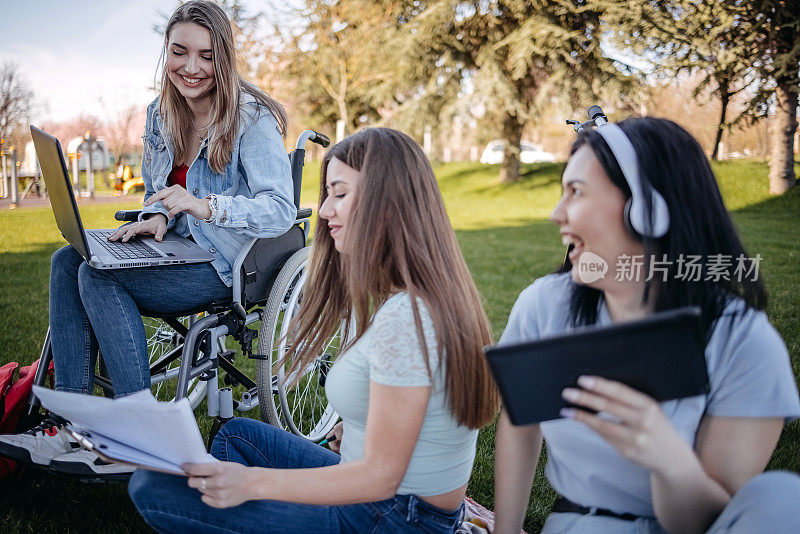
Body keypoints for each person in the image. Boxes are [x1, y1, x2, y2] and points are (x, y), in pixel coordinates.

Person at [127, 127, 500, 533]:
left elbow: (380, 477)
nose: (323, 211)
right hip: (394, 499)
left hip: (389, 516)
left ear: (388, 203)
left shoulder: (406, 320)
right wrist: (355, 428)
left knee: (152, 486)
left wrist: (252, 484)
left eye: (340, 194)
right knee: (237, 436)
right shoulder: (419, 297)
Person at [0, 0, 295, 476]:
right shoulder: (160, 113)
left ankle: (132, 433)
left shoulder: (251, 119)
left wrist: (206, 206)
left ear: (223, 58)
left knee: (98, 277)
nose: (192, 68)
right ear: (167, 51)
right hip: (173, 246)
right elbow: (160, 187)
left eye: (206, 56)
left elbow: (279, 210)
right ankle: (68, 426)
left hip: (224, 261)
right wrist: (155, 216)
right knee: (65, 259)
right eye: (180, 52)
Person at [493, 115, 800, 534]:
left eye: (576, 192)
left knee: (783, 498)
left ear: (647, 208)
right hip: (574, 525)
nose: (556, 214)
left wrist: (666, 457)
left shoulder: (745, 344)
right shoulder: (545, 306)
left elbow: (712, 524)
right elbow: (519, 420)